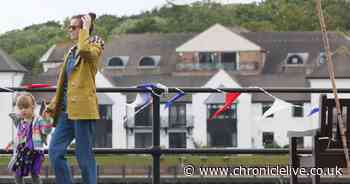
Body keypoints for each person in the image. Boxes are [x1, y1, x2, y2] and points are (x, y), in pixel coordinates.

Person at [45, 13, 104, 184]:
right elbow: (63, 84)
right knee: (55, 151)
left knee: (84, 157)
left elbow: (86, 52)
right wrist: (52, 106)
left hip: (83, 111)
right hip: (66, 112)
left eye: (74, 27)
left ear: (84, 28)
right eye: (69, 27)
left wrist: (86, 30)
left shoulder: (95, 45)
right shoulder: (70, 52)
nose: (69, 30)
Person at [7, 92, 53, 184]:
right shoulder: (21, 122)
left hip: (35, 152)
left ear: (33, 107)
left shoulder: (38, 120)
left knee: (34, 174)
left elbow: (46, 131)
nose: (23, 110)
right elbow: (19, 136)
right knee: (17, 172)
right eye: (21, 108)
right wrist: (11, 143)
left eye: (26, 107)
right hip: (23, 151)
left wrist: (48, 120)